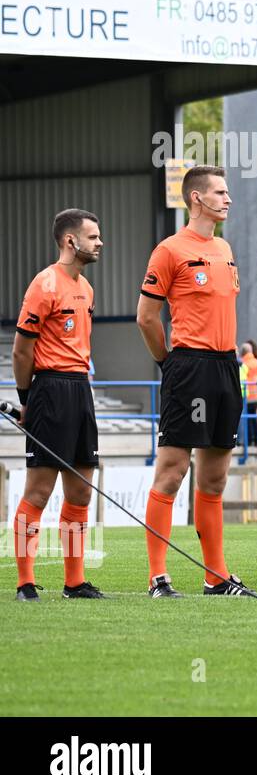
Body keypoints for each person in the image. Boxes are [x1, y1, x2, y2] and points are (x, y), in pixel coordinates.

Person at [137, 166, 246, 596]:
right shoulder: (169, 250)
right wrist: (169, 363)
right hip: (189, 366)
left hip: (225, 367)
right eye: (220, 192)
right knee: (173, 469)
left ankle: (215, 576)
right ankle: (157, 576)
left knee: (215, 477)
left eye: (228, 191)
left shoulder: (224, 246)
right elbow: (146, 317)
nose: (228, 198)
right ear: (197, 198)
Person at [11, 208, 104, 601]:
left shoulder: (86, 288)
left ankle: (74, 582)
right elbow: (21, 351)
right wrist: (29, 401)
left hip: (81, 389)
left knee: (81, 491)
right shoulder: (44, 284)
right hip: (49, 390)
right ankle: (25, 582)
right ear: (71, 241)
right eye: (93, 236)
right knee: (39, 491)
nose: (100, 242)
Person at [241, 340, 257, 449]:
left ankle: (249, 441)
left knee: (247, 419)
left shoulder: (243, 364)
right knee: (254, 418)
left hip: (247, 395)